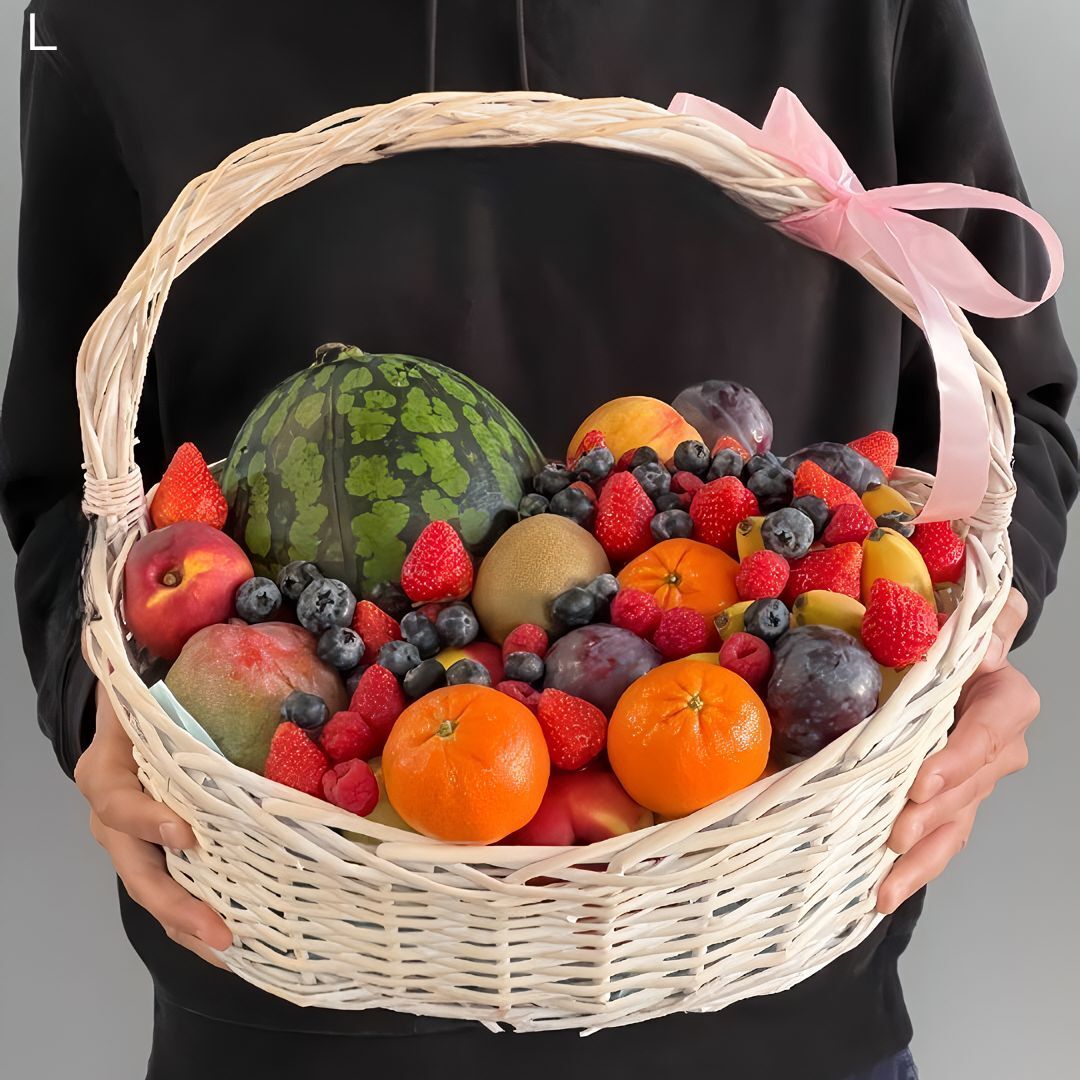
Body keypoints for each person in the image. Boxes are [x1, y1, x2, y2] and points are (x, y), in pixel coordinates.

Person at [2, 2, 1074, 1078]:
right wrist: (104, 701)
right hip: (289, 981)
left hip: (779, 977)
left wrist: (979, 630)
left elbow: (1007, 412)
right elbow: (67, 476)